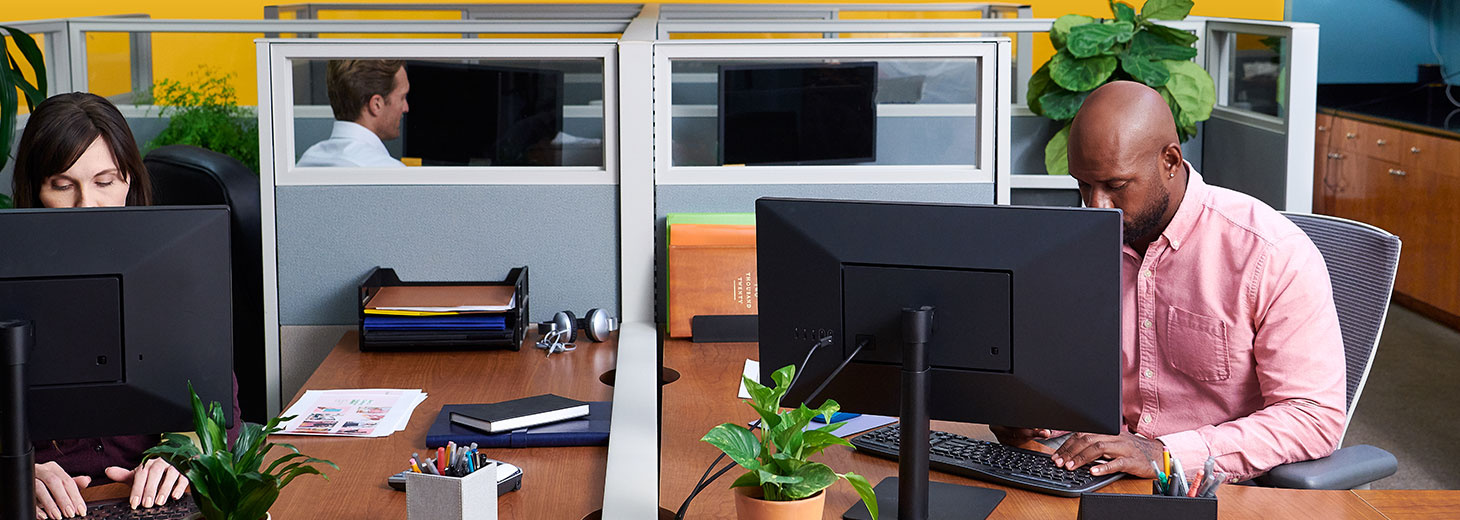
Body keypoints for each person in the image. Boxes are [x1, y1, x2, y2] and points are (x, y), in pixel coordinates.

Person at [992, 81, 1347, 484]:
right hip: (1102, 474)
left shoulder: (1270, 253)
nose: (1096, 206)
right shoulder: (1079, 243)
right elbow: (1073, 376)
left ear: (1171, 161)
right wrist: (1035, 416)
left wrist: (1166, 454)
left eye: (1116, 185)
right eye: (1084, 184)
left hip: (1216, 487)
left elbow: (1313, 417)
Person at [11, 92, 242, 519]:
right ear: (35, 189)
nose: (87, 205)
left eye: (105, 181)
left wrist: (184, 454)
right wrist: (13, 473)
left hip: (155, 506)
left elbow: (219, 412)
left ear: (128, 181)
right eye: (63, 185)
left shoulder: (173, 271)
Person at [297, 59, 410, 167]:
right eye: (402, 97)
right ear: (376, 104)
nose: (406, 108)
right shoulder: (391, 175)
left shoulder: (307, 161)